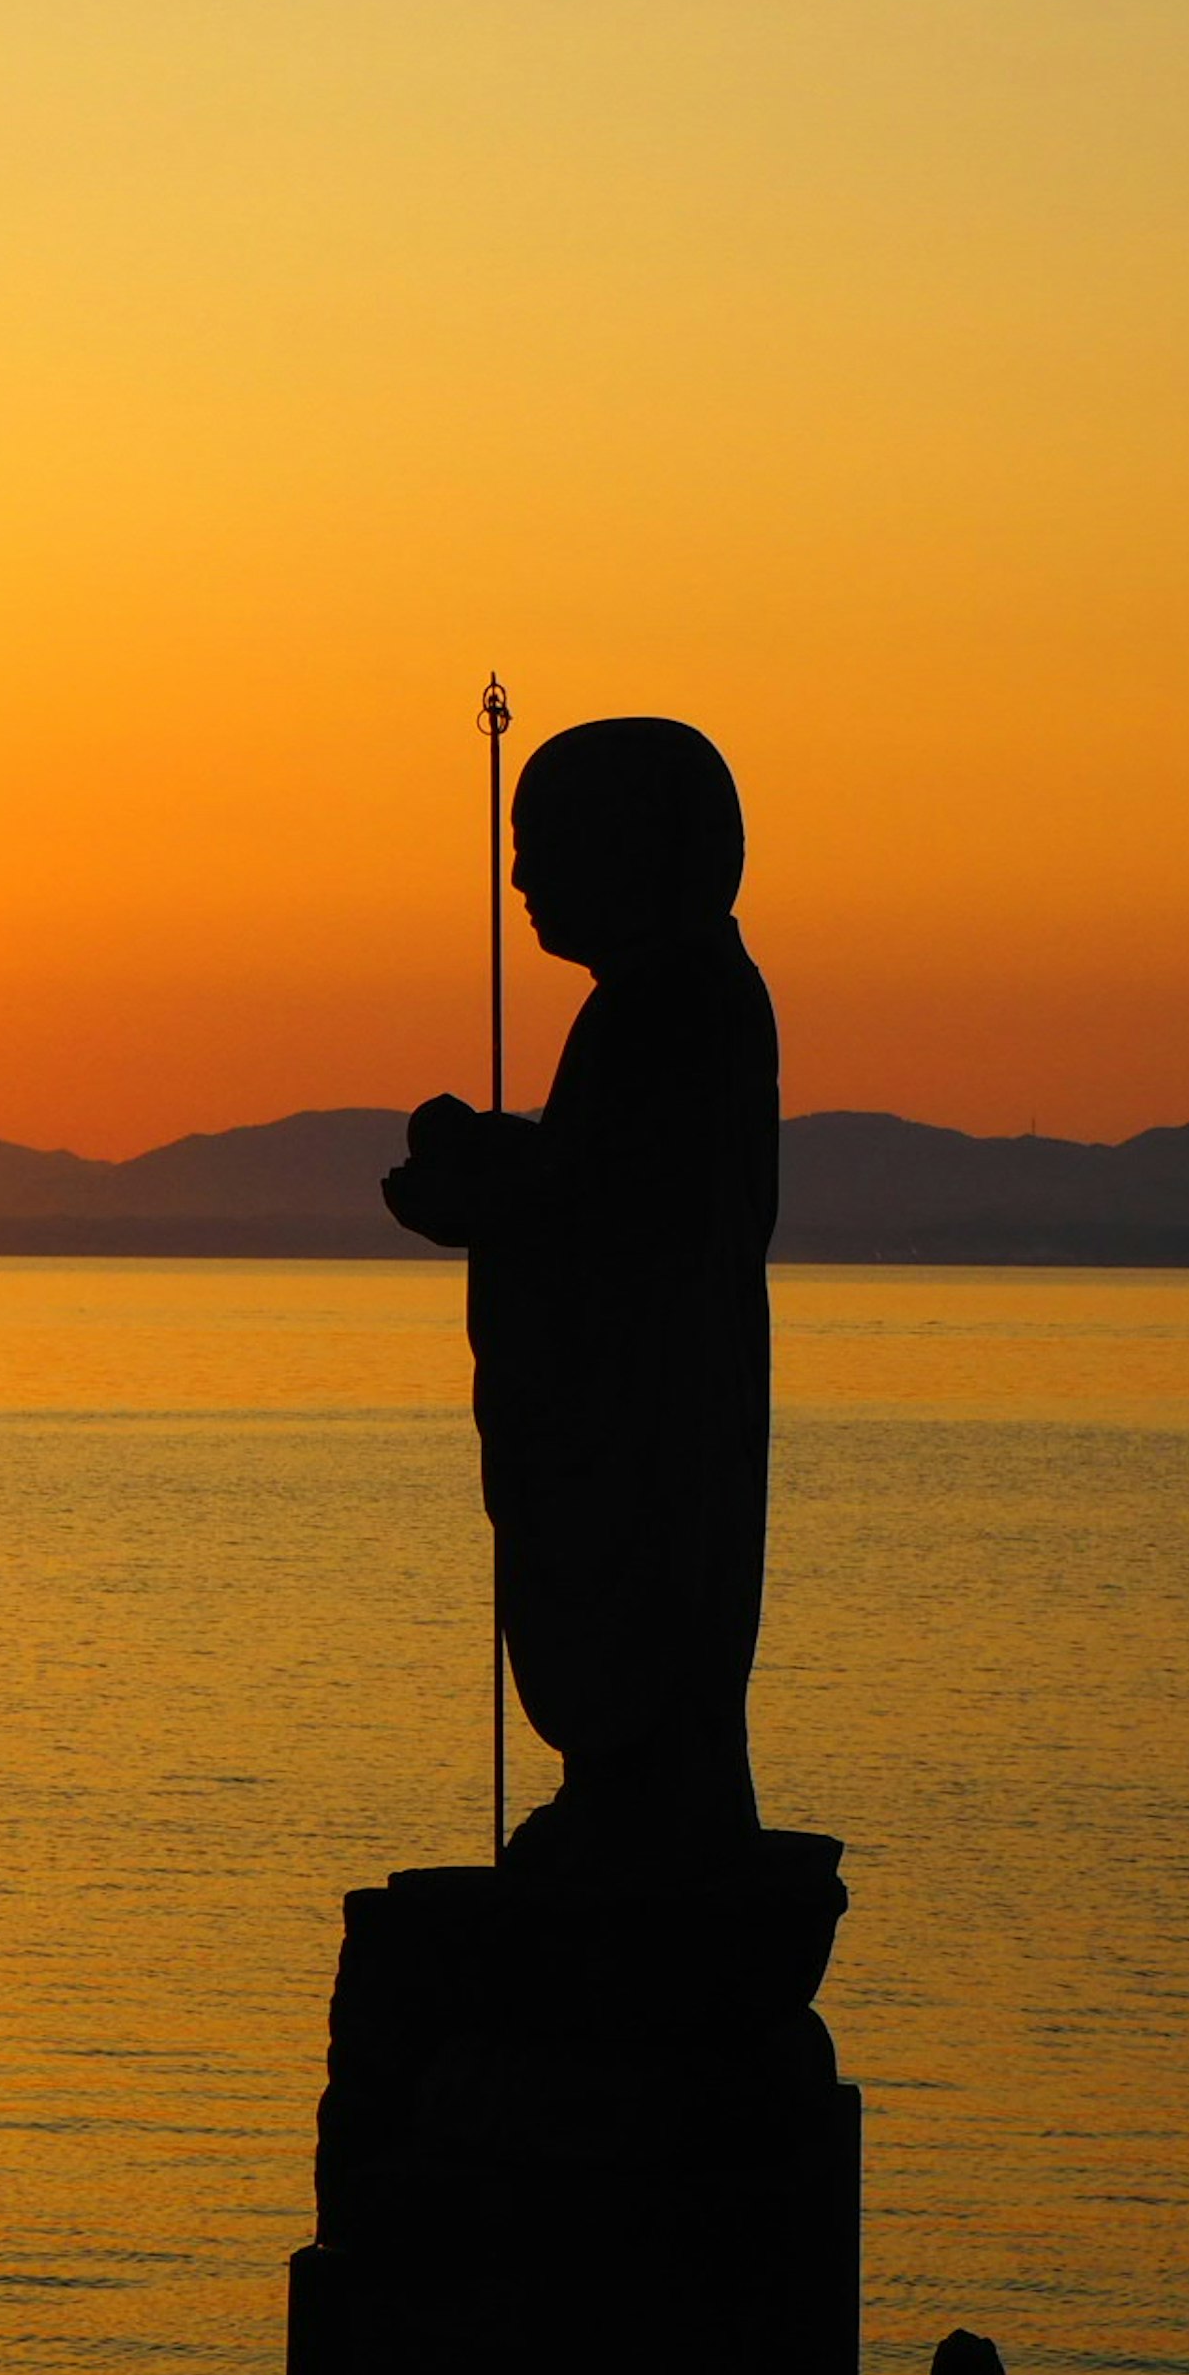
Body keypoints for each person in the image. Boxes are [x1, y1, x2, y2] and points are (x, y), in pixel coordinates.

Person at [382, 716, 779, 1874]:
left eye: (544, 843)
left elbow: (623, 1214)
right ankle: (631, 1792)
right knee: (638, 1612)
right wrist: (502, 1160)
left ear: (636, 849)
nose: (519, 877)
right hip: (652, 1390)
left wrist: (490, 1191)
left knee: (644, 1599)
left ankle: (647, 1804)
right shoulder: (664, 1002)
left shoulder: (674, 1003)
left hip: (649, 1407)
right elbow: (598, 1174)